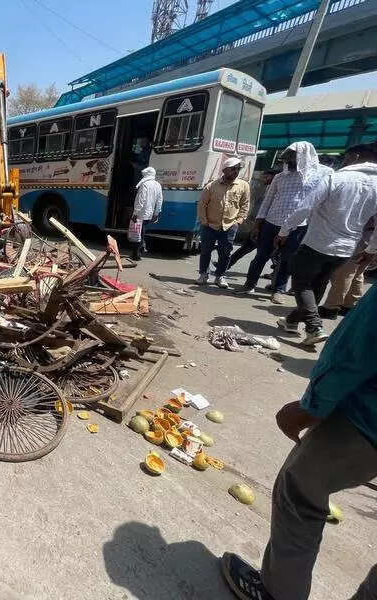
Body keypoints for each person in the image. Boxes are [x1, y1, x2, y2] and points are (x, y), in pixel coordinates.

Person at [220, 283, 377, 600]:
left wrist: (312, 406)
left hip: (366, 421)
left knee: (300, 491)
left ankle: (277, 593)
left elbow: (356, 349)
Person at [275, 142, 377, 346]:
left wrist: (284, 230)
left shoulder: (337, 178)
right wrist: (371, 249)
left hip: (318, 243)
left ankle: (314, 327)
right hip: (346, 249)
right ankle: (292, 321)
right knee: (318, 283)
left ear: (355, 157)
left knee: (301, 283)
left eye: (345, 158)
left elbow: (305, 207)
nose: (343, 161)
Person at [237, 142, 333, 303]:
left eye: (292, 158)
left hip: (298, 226)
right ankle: (249, 284)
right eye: (287, 159)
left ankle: (278, 289)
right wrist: (258, 223)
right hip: (271, 222)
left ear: (304, 157)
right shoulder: (280, 177)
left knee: (287, 259)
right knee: (261, 256)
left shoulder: (323, 174)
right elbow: (267, 201)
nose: (288, 162)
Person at [196, 156, 250, 288]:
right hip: (210, 225)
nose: (236, 171)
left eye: (238, 169)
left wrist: (239, 221)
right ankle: (204, 274)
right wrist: (204, 221)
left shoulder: (243, 186)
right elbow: (202, 204)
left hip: (229, 226)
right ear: (225, 170)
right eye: (233, 169)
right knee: (205, 251)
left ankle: (220, 276)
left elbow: (245, 204)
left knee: (225, 253)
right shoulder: (211, 186)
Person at [318, 217, 375, 319]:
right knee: (356, 273)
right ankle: (349, 304)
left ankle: (331, 307)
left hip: (362, 238)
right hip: (368, 240)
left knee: (344, 272)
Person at [130, 167, 162, 261]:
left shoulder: (144, 185)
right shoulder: (158, 185)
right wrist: (156, 213)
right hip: (149, 213)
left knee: (137, 233)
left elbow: (141, 200)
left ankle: (137, 254)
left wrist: (135, 213)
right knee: (142, 232)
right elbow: (159, 200)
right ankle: (139, 250)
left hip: (141, 213)